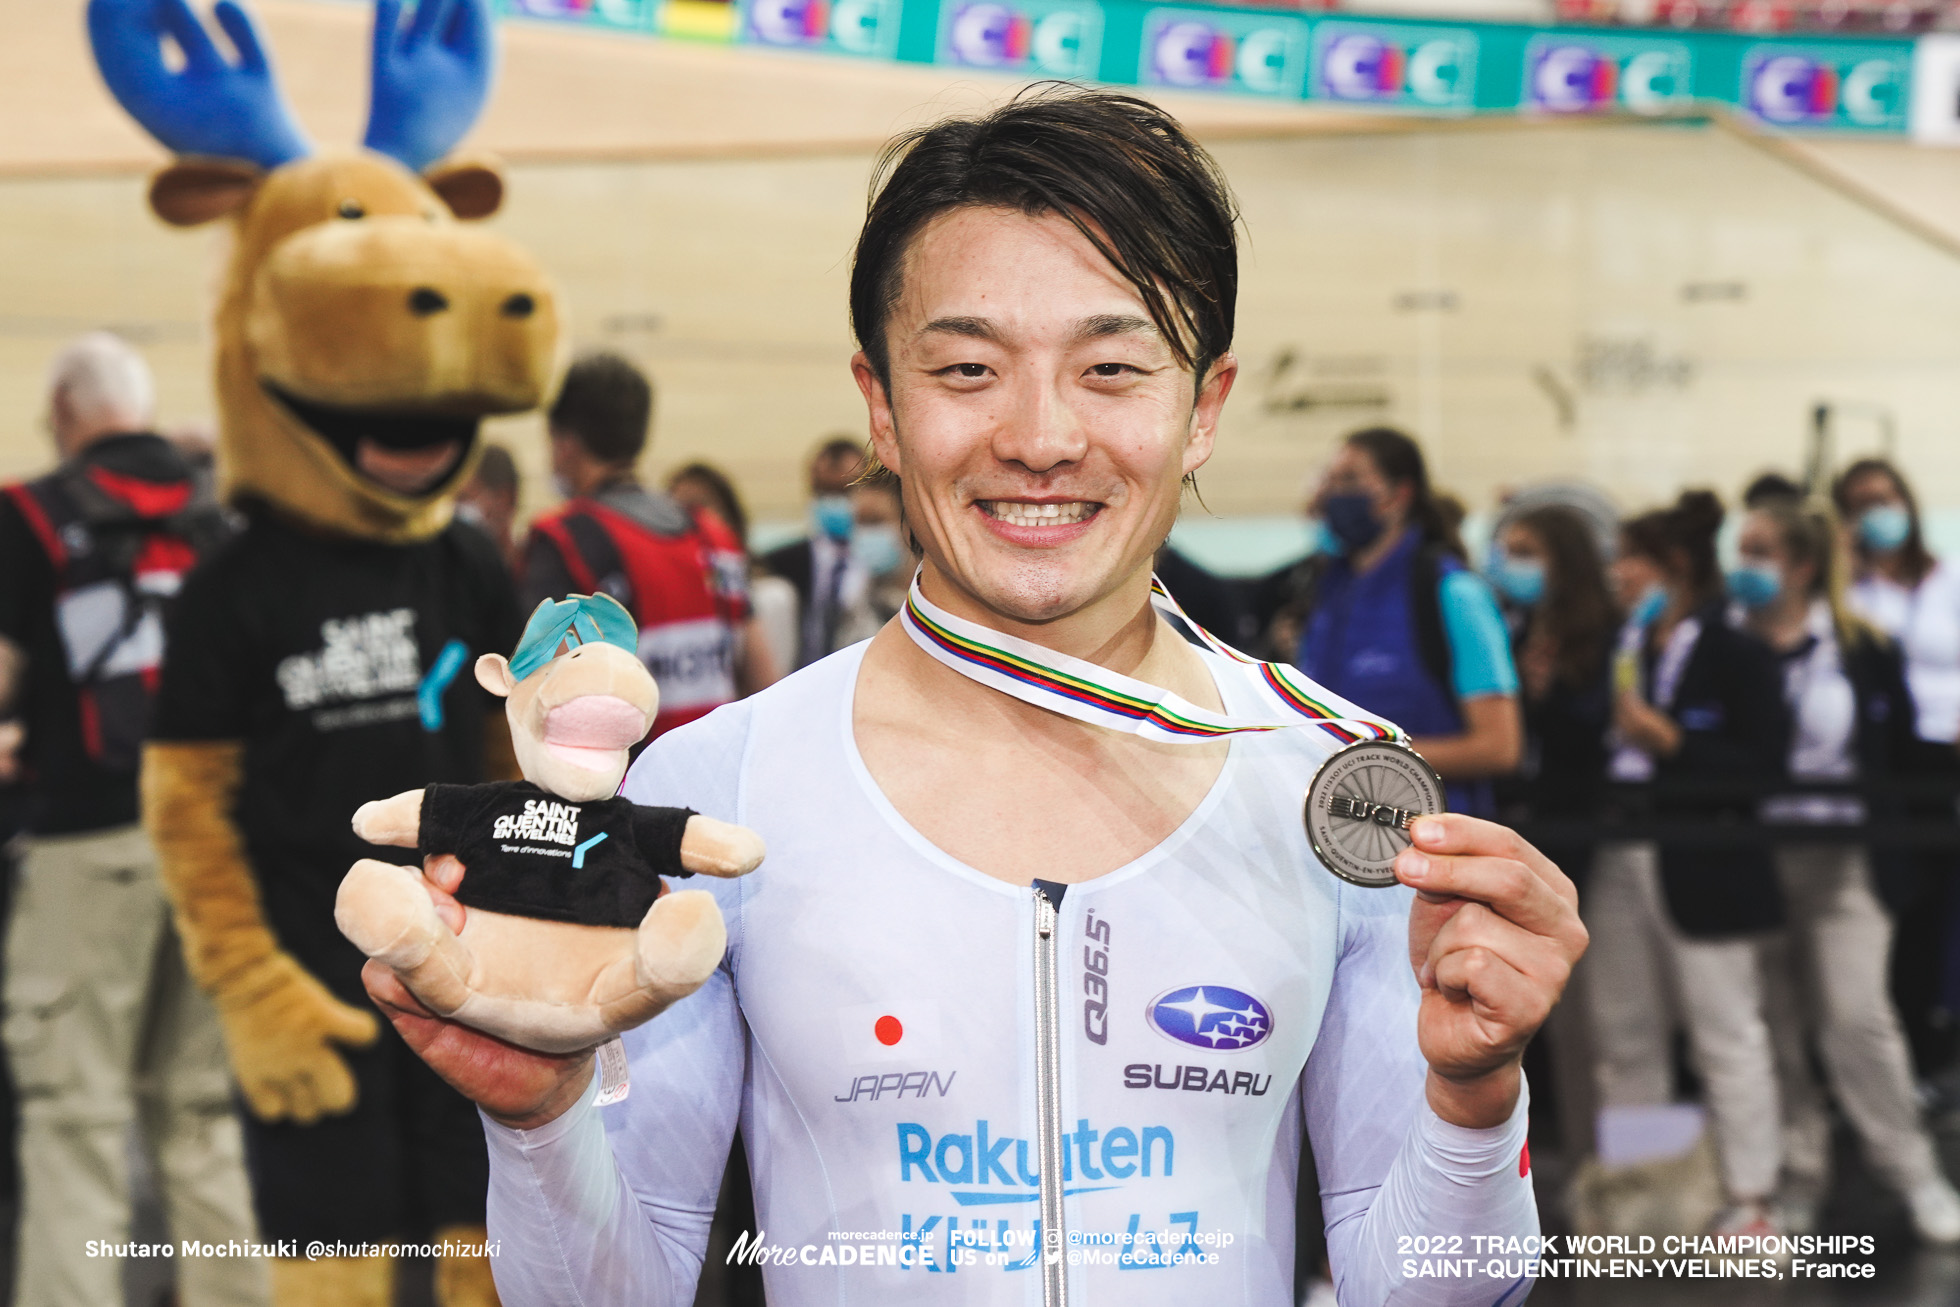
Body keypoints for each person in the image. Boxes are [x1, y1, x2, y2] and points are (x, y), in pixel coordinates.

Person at [365, 87, 1584, 1306]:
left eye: (1111, 368)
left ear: (1201, 409)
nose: (1041, 435)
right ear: (882, 407)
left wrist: (1475, 1101)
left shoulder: (1335, 782)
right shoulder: (712, 797)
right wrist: (540, 1123)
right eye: (966, 368)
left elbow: (1429, 1287)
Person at [0, 333, 267, 1306]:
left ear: (68, 414)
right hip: (217, 851)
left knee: (75, 1117)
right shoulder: (220, 518)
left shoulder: (28, 515)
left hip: (89, 844)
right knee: (201, 1119)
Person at [1732, 496, 1960, 1242]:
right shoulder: (1725, 645)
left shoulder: (1862, 645)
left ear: (1801, 564)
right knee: (1777, 1023)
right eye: (1743, 549)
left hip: (1848, 856)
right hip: (1756, 860)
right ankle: (1800, 1179)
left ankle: (1915, 1173)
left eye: (1761, 550)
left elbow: (1897, 750)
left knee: (1857, 1017)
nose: (1747, 566)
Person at [1588, 490, 1790, 1235]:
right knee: (1627, 1032)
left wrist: (1670, 742)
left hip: (1704, 860)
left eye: (1631, 559)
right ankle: (1648, 1198)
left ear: (1673, 565)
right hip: (1619, 851)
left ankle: (1751, 1196)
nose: (1619, 574)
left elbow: (1765, 765)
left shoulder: (1738, 651)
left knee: (1726, 1030)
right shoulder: (1626, 645)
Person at [523, 353, 777, 736]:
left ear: (566, 444)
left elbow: (543, 691)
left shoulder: (561, 541)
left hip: (624, 785)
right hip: (719, 774)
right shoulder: (713, 537)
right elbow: (762, 678)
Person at [1274, 428, 1523, 815]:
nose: (1334, 494)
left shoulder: (1453, 593)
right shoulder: (1325, 594)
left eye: (1351, 479)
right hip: (1333, 834)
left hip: (1432, 839)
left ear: (1398, 494)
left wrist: (1357, 757)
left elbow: (1499, 748)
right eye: (1331, 479)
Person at [1835, 457, 1960, 1078]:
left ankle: (1934, 1044)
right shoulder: (1850, 592)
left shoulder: (1947, 580)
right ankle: (1894, 1053)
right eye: (1861, 504)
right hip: (1884, 766)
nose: (1877, 514)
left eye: (1886, 499)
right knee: (1892, 909)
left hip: (1947, 758)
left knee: (1937, 908)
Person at [1488, 504, 1616, 885]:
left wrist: (1548, 695)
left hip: (1576, 812)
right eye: (1507, 552)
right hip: (1520, 806)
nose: (1512, 565)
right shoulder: (1514, 628)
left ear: (1565, 560)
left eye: (1526, 554)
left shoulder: (1603, 632)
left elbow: (1599, 723)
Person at [668, 460, 799, 692]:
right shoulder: (670, 601)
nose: (689, 520)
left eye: (698, 507)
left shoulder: (771, 595)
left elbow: (769, 688)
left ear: (730, 516)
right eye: (676, 509)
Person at [762, 436, 870, 668]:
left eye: (844, 491)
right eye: (823, 492)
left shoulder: (887, 561)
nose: (833, 501)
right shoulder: (779, 562)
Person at [832, 471, 912, 646]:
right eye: (859, 522)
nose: (865, 533)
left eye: (875, 521)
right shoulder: (851, 598)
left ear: (911, 527)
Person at [456, 442, 522, 572]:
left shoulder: (540, 570)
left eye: (464, 498)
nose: (456, 509)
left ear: (505, 498)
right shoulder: (453, 576)